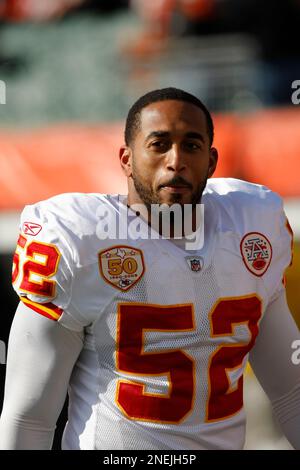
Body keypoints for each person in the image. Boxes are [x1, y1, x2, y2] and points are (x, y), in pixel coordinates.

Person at [0, 87, 299, 450]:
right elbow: (30, 416)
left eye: (192, 145)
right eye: (159, 144)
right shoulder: (79, 240)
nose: (176, 160)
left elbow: (291, 392)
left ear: (212, 160)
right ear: (126, 159)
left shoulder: (252, 226)